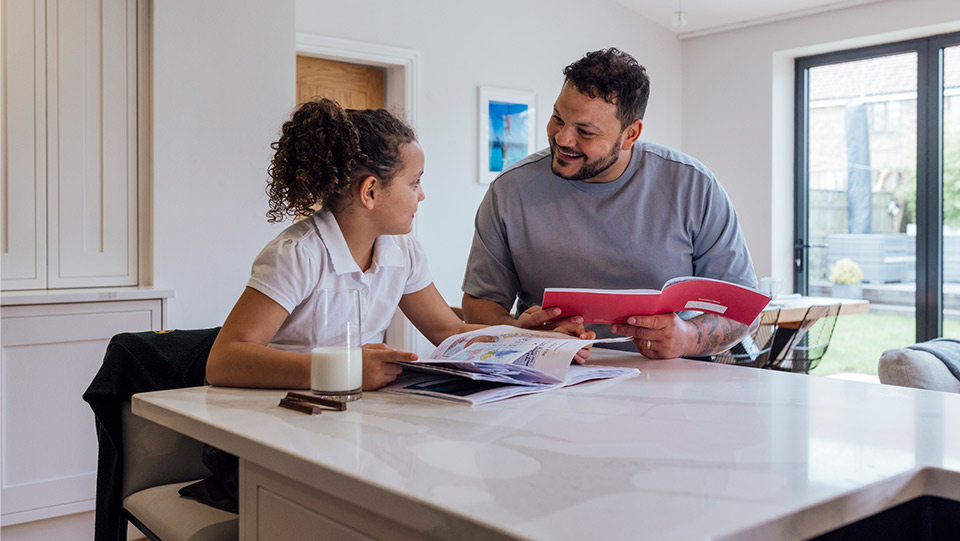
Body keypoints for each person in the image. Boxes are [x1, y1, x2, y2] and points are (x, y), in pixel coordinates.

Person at [461, 48, 758, 359]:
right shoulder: (508, 191)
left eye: (585, 132)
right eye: (558, 118)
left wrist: (686, 338)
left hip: (672, 386)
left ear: (630, 134)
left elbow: (744, 311)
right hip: (548, 379)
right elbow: (480, 304)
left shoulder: (694, 186)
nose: (563, 138)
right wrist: (522, 333)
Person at [206, 98, 493, 390]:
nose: (421, 196)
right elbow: (223, 361)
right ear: (370, 191)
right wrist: (344, 368)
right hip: (286, 416)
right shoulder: (298, 254)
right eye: (414, 183)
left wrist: (522, 333)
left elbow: (451, 330)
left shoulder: (405, 252)